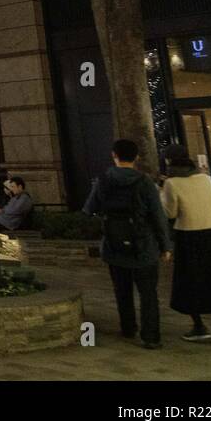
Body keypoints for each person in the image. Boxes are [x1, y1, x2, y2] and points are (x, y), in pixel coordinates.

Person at [83, 139, 172, 349]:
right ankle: (150, 336)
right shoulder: (145, 182)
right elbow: (158, 216)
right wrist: (165, 245)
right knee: (148, 293)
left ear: (114, 155)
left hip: (114, 245)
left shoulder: (102, 181)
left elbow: (88, 210)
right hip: (143, 245)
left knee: (122, 290)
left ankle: (128, 328)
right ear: (136, 157)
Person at [161, 146, 211, 347]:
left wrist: (161, 195)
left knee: (189, 281)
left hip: (188, 236)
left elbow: (171, 213)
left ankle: (199, 326)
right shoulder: (205, 178)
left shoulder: (171, 183)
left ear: (169, 161)